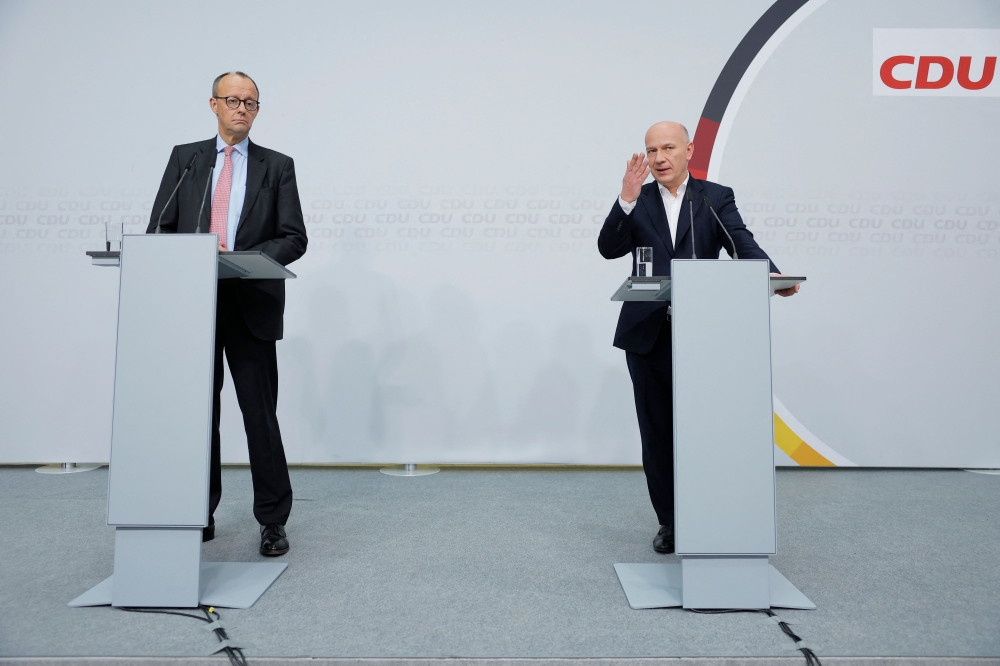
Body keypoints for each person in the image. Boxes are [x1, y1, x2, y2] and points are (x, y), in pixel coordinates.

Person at [598, 121, 798, 554]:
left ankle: (707, 514)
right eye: (652, 150)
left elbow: (741, 243)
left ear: (689, 150)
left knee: (703, 431)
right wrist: (625, 200)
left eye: (668, 148)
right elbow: (608, 248)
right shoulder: (638, 200)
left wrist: (773, 275)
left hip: (703, 334)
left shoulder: (713, 197)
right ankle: (671, 522)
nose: (659, 158)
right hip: (647, 335)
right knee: (657, 433)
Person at [146, 71, 308, 556]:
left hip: (250, 301)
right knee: (200, 416)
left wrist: (245, 258)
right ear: (213, 105)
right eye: (233, 100)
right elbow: (160, 228)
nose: (242, 108)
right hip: (194, 304)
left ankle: (273, 520)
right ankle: (200, 512)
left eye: (250, 102)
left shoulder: (277, 165)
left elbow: (294, 236)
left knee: (259, 415)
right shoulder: (188, 159)